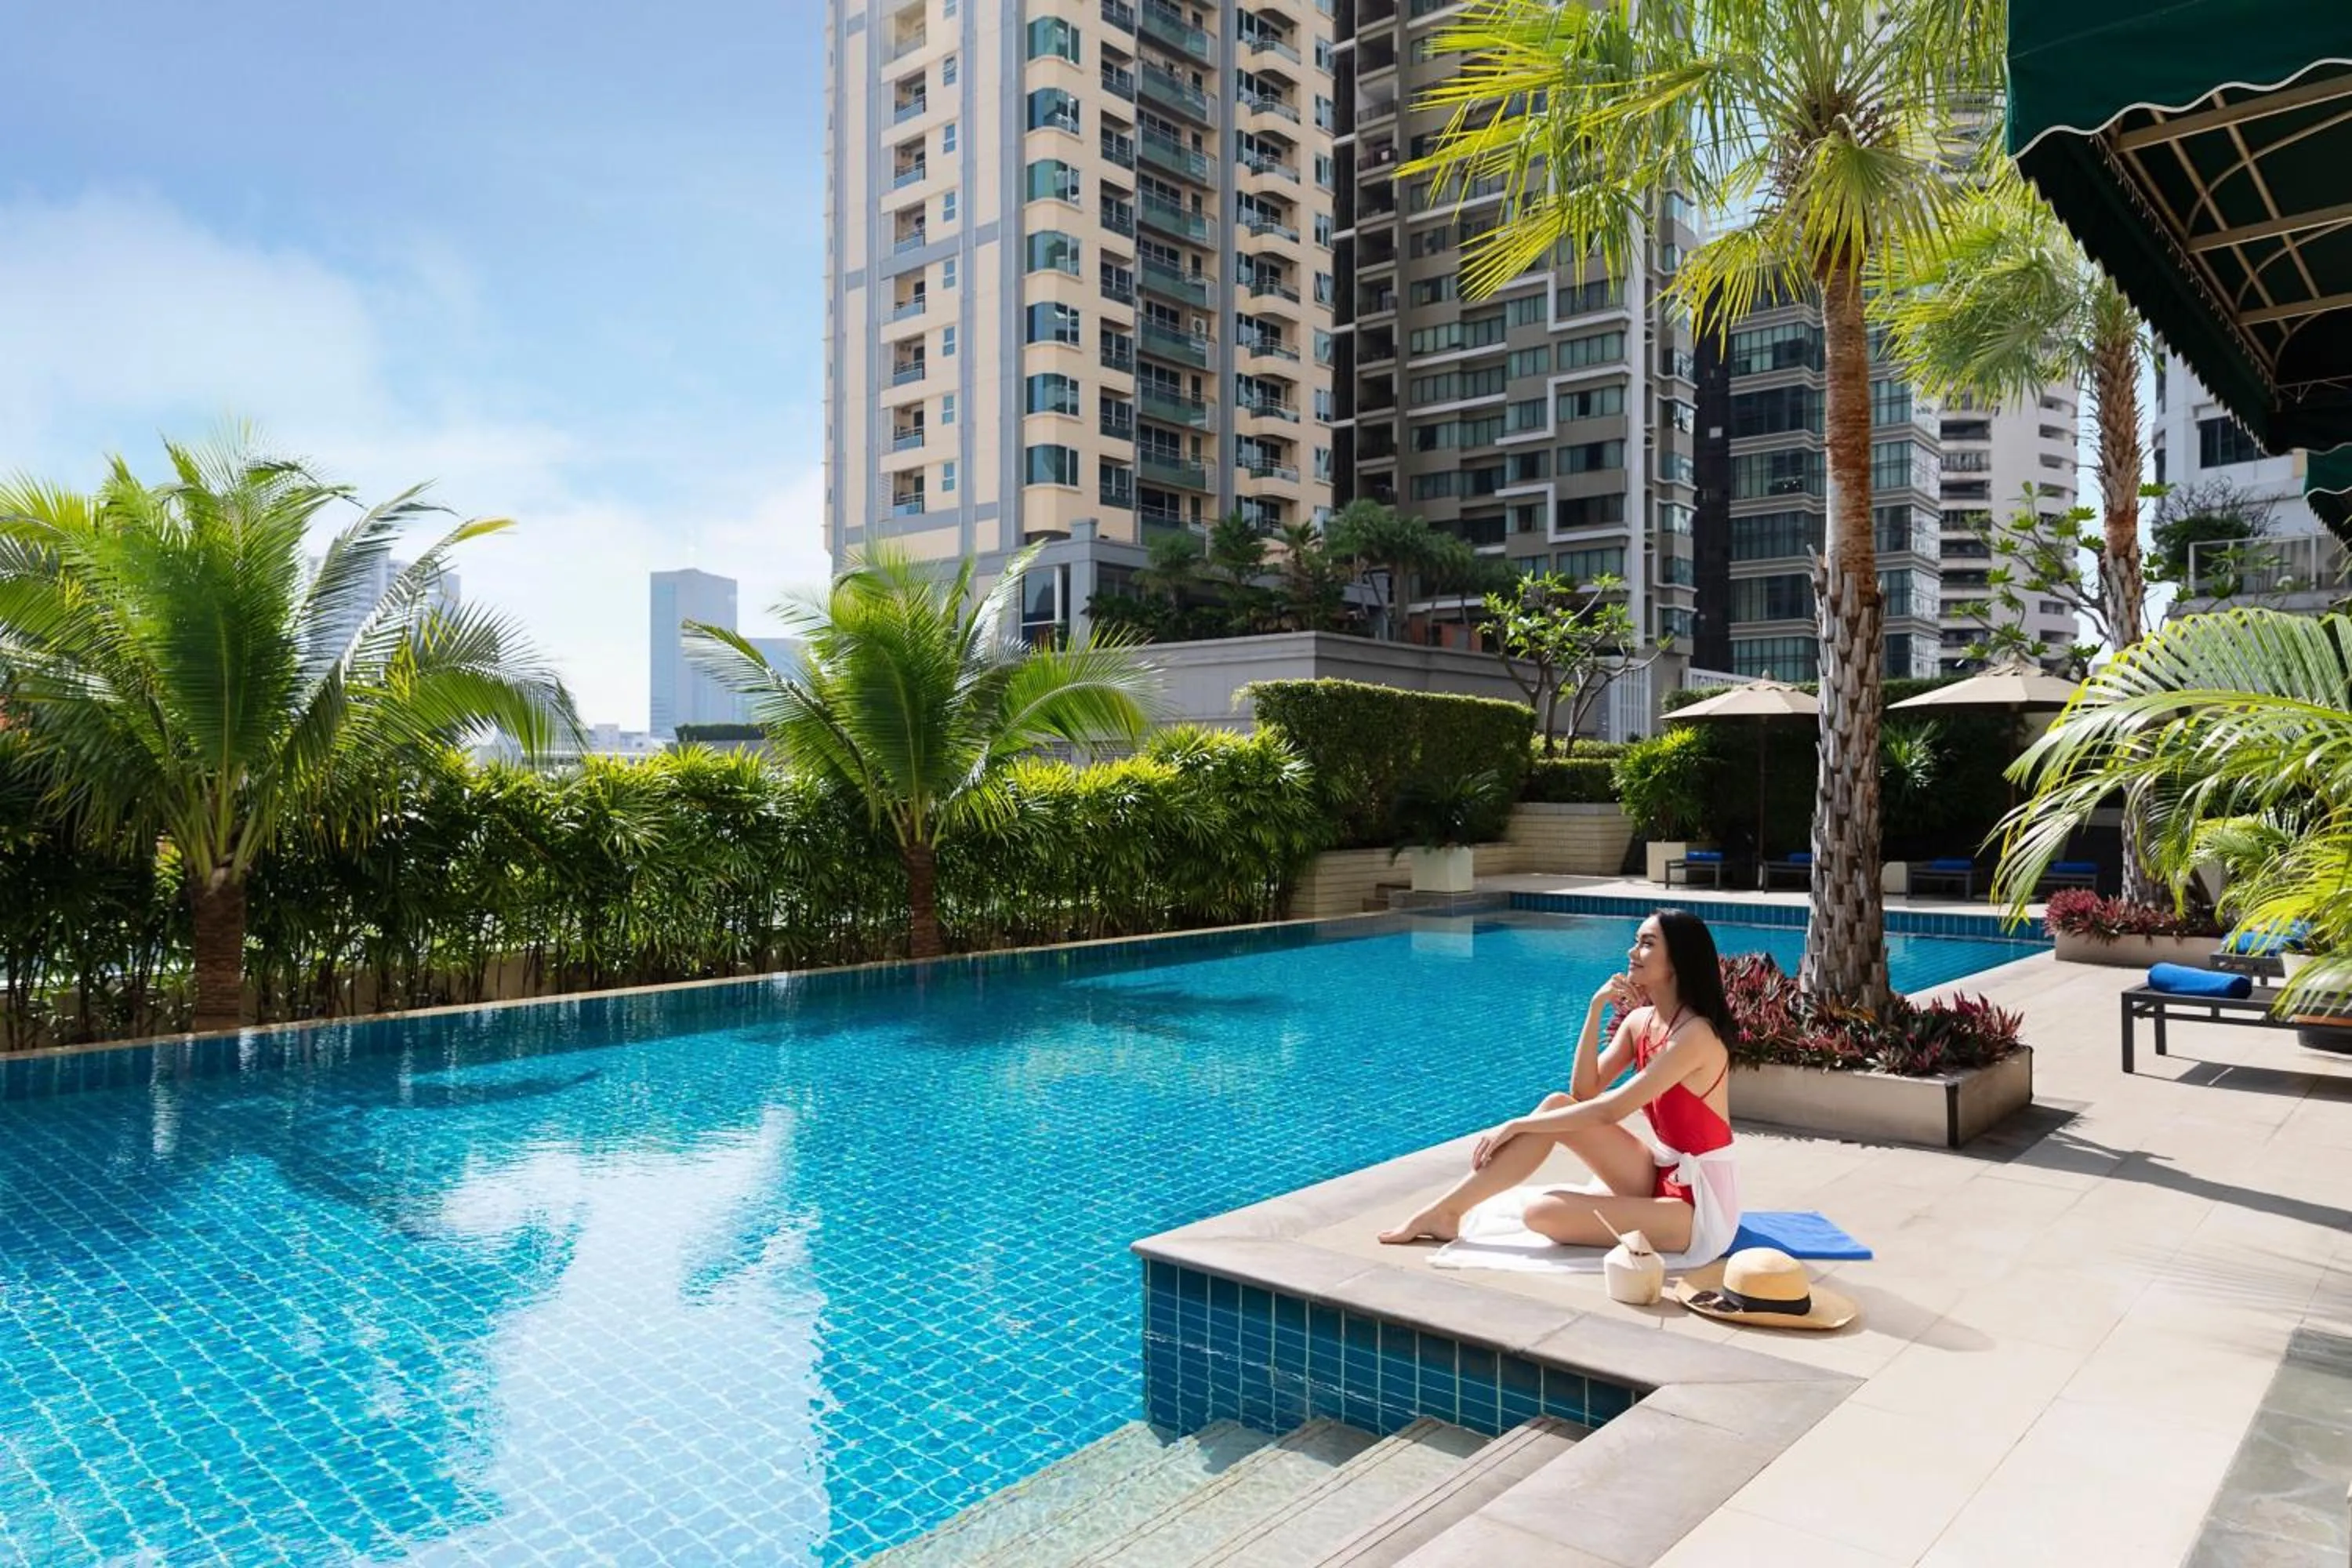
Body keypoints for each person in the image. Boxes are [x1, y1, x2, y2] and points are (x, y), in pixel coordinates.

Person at [1377, 909, 1740, 1258]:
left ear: (1678, 961)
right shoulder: (1641, 1022)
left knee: (1541, 1213)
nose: (1632, 951)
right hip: (1659, 1170)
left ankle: (1645, 1215)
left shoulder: (1695, 1037)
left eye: (1646, 943)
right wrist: (1595, 1008)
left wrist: (1516, 1124)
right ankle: (1446, 1212)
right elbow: (1584, 1092)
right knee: (1556, 1104)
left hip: (1698, 1203)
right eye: (1636, 941)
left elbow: (1609, 1110)